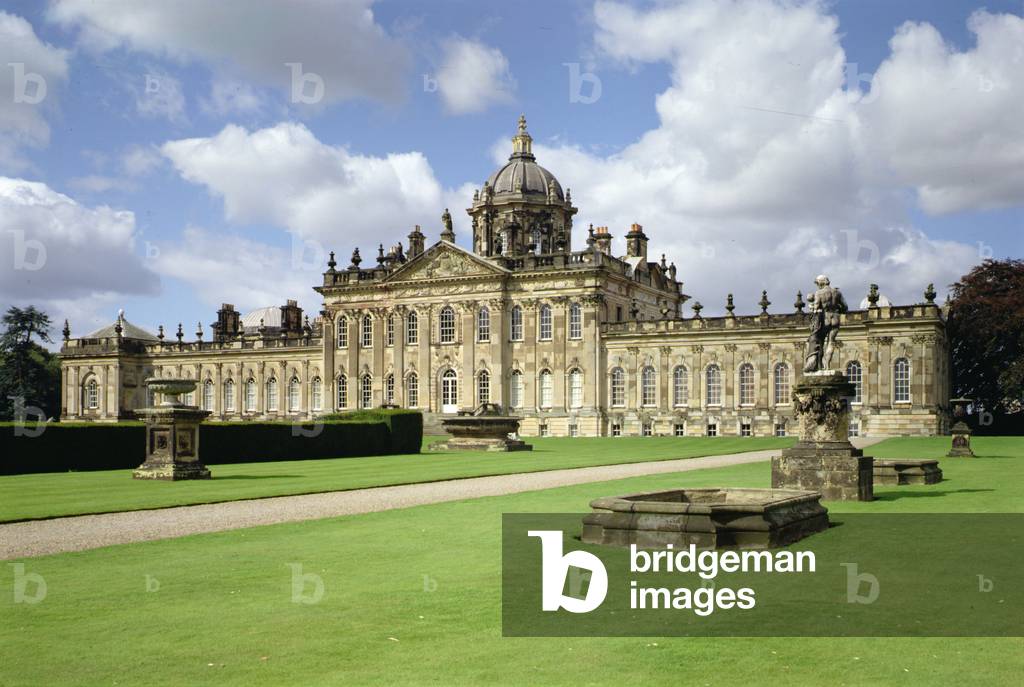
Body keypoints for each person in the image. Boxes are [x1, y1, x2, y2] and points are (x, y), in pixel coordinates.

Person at [803, 274, 848, 373]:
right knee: (831, 342)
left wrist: (811, 305)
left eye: (817, 283)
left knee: (820, 342)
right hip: (835, 318)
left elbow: (816, 308)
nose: (817, 285)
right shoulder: (837, 293)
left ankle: (819, 366)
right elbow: (845, 307)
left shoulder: (819, 293)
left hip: (825, 319)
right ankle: (827, 366)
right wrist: (837, 309)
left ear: (821, 283)